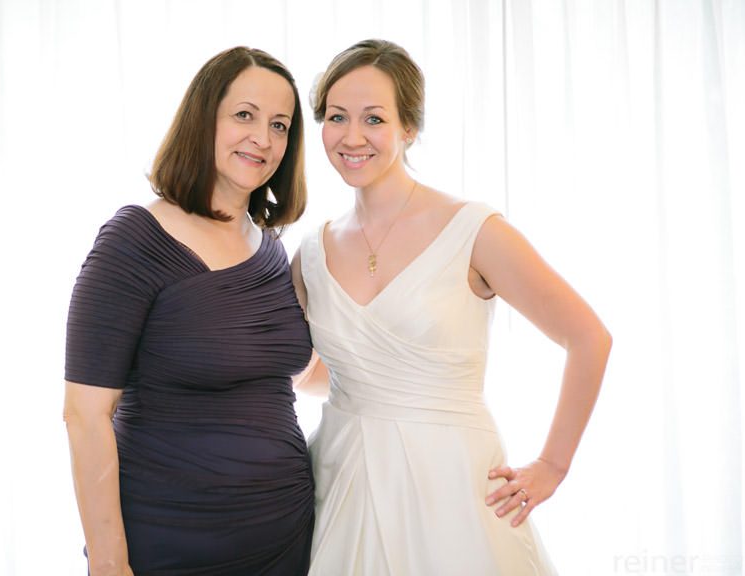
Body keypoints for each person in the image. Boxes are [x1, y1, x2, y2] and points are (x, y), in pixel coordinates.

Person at [291, 39, 612, 575]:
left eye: (374, 118)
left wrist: (552, 466)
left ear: (409, 128)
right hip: (340, 476)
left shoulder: (474, 230)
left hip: (452, 485)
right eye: (337, 116)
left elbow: (589, 338)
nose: (352, 137)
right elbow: (320, 372)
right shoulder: (311, 252)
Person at [63, 46, 314, 576]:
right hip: (171, 542)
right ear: (204, 119)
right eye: (244, 115)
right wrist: (108, 563)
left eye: (279, 125)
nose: (263, 138)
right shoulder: (134, 240)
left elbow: (296, 374)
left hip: (287, 535)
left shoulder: (272, 249)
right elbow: (85, 415)